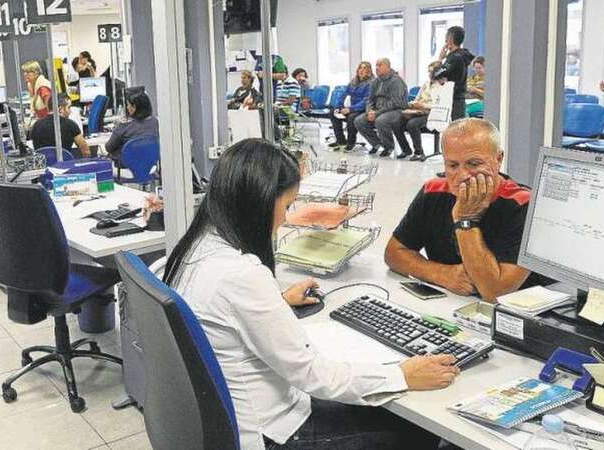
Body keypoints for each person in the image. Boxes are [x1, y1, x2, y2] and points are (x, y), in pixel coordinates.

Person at [163, 138, 459, 450]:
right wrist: (401, 375)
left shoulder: (196, 248)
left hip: (243, 415)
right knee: (415, 428)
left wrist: (275, 303)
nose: (286, 217)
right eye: (287, 205)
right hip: (275, 432)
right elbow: (312, 374)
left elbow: (225, 313)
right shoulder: (242, 274)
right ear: (260, 202)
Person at [385, 118, 535, 302]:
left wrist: (466, 220)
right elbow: (393, 253)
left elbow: (495, 294)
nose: (463, 175)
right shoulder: (434, 190)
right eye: (453, 165)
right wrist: (442, 274)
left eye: (474, 164)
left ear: (498, 159)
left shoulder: (524, 205)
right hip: (449, 306)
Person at [354, 57, 408, 157]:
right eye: (376, 65)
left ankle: (389, 147)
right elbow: (370, 99)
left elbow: (395, 103)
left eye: (380, 65)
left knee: (381, 120)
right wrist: (369, 111)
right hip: (378, 110)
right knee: (359, 120)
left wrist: (377, 113)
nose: (377, 68)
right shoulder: (375, 81)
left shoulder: (396, 81)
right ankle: (377, 143)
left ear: (388, 67)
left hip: (397, 110)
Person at [394, 62, 444, 161]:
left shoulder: (443, 86)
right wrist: (413, 104)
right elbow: (417, 98)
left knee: (412, 124)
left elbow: (440, 106)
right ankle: (406, 150)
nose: (430, 74)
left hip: (432, 113)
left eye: (432, 71)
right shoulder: (426, 83)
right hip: (418, 110)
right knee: (396, 123)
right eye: (428, 71)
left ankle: (418, 152)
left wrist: (423, 105)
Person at [329, 61, 373, 152]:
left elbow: (366, 101)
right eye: (360, 68)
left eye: (364, 68)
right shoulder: (353, 81)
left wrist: (350, 109)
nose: (361, 70)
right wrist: (339, 107)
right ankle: (340, 140)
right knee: (333, 112)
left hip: (362, 109)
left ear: (369, 71)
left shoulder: (371, 83)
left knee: (351, 117)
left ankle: (350, 142)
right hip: (349, 107)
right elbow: (344, 95)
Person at [435, 26, 475, 121]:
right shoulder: (462, 55)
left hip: (454, 99)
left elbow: (436, 74)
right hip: (457, 98)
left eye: (446, 37)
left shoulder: (454, 58)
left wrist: (440, 59)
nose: (445, 40)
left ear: (450, 39)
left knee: (455, 131)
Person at [105, 92, 159, 161]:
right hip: (152, 160)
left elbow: (109, 147)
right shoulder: (156, 122)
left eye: (128, 105)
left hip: (129, 163)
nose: (127, 108)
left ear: (134, 107)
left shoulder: (124, 126)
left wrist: (118, 127)